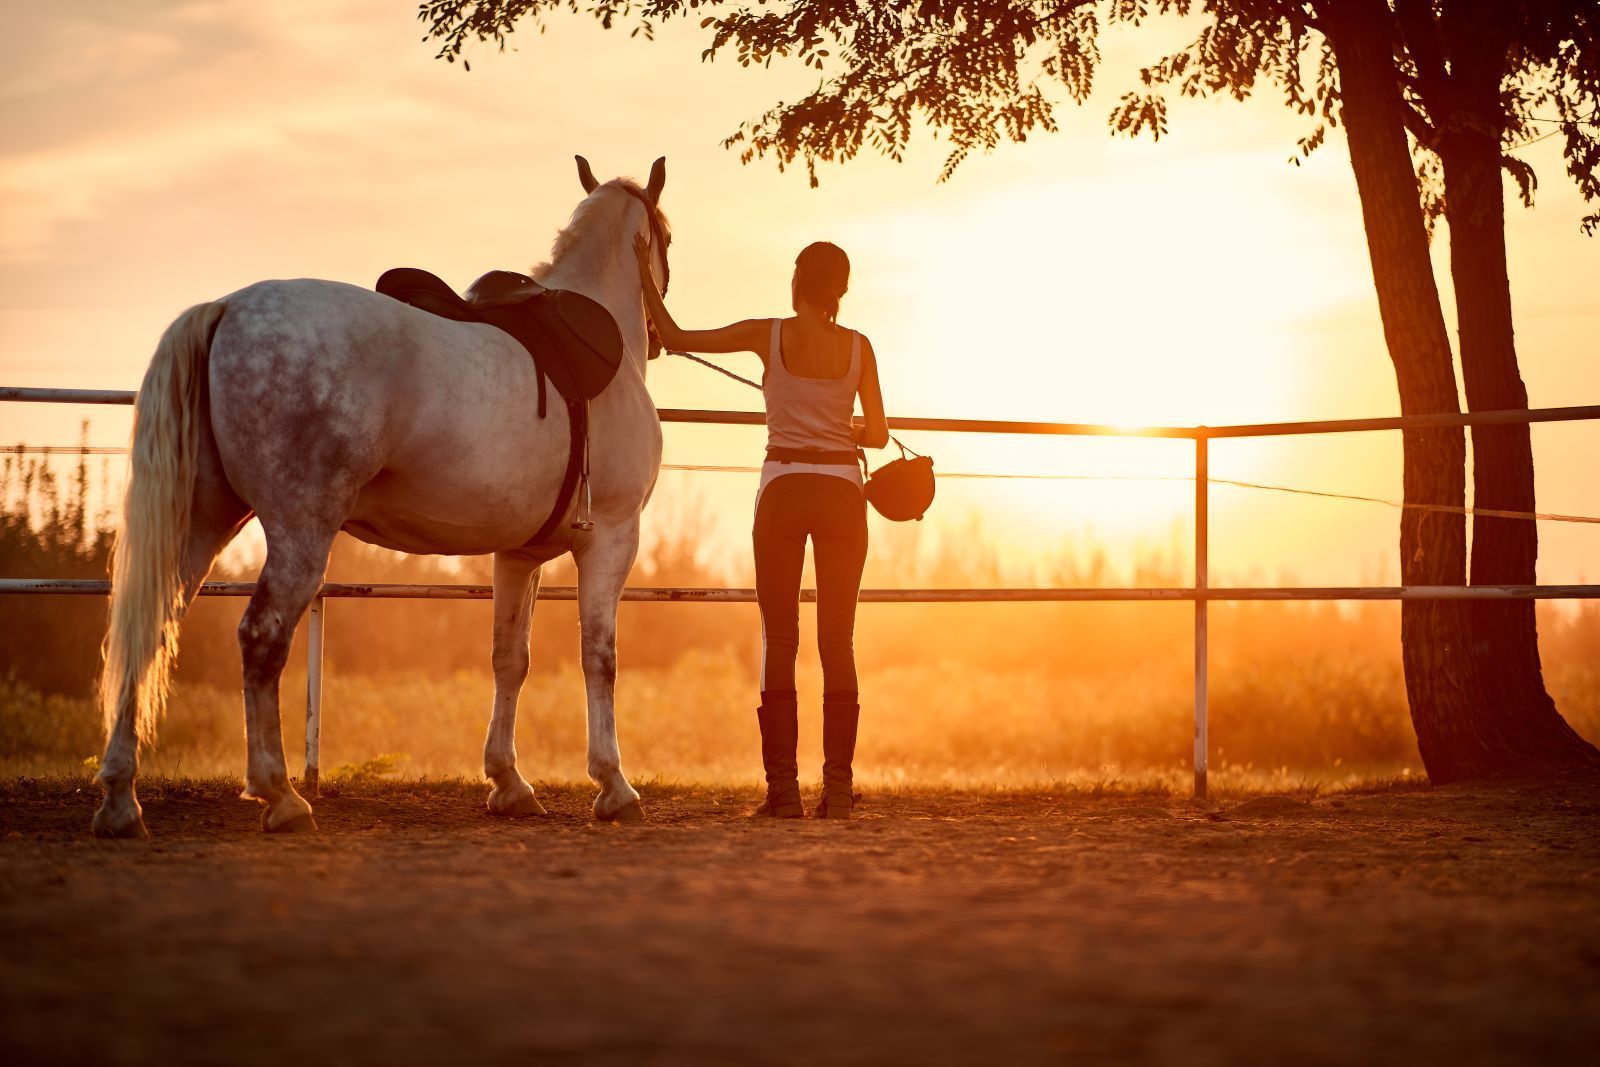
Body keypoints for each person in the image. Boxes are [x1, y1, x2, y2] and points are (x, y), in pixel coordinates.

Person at [633, 235, 889, 819]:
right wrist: (840, 428)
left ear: (797, 281)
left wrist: (642, 274)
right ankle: (840, 791)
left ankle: (783, 793)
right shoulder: (859, 348)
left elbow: (673, 339)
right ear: (841, 290)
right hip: (842, 495)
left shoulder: (766, 334)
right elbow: (875, 434)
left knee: (781, 637)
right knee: (838, 640)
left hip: (783, 492)